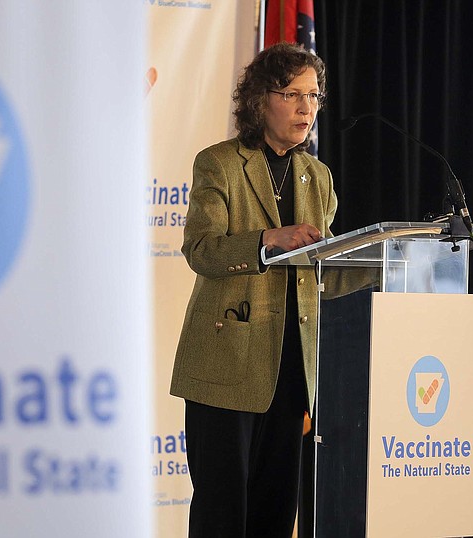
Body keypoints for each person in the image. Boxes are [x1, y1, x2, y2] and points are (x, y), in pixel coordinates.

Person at [170, 42, 335, 537]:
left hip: (291, 370)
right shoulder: (220, 164)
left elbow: (324, 267)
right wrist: (268, 240)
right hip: (226, 366)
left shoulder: (318, 177)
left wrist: (385, 257)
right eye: (292, 94)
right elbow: (202, 249)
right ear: (261, 100)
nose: (307, 108)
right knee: (223, 514)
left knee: (276, 511)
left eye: (314, 96)